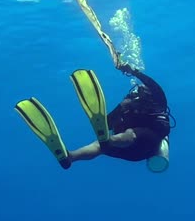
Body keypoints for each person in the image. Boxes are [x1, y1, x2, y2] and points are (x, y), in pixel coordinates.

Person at [15, 61, 174, 173]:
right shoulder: (127, 106)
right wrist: (121, 107)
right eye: (135, 93)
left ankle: (109, 141)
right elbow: (104, 124)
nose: (136, 94)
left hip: (148, 145)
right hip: (129, 152)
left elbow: (153, 85)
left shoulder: (158, 101)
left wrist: (134, 72)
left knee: (131, 133)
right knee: (100, 145)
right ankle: (70, 157)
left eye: (139, 92)